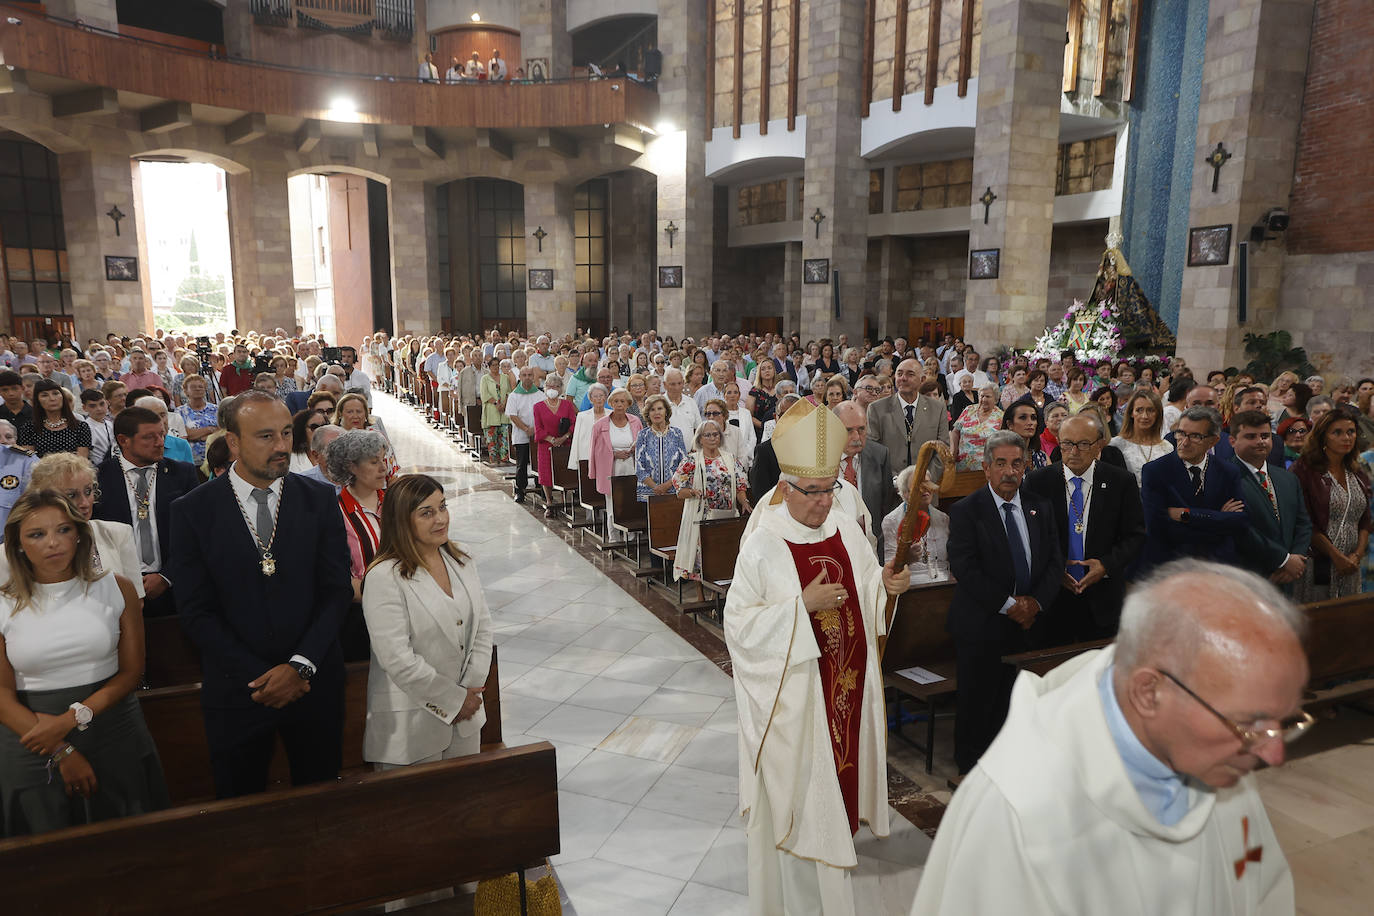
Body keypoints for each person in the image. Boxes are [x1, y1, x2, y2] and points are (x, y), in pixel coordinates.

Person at [911, 560, 1310, 915]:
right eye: (1250, 723)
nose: (1273, 753)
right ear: (1149, 692)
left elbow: (1261, 884)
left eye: (1283, 721)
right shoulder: (1018, 820)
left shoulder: (1220, 753)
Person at [724, 397, 909, 915]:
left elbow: (870, 594)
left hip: (842, 700)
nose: (825, 503)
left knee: (837, 812)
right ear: (785, 489)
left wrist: (888, 588)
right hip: (795, 714)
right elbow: (737, 627)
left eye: (831, 491)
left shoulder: (847, 530)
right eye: (814, 493)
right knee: (802, 819)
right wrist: (800, 607)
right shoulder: (763, 544)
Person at [170, 390, 353, 799]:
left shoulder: (318, 499)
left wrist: (299, 667)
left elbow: (336, 590)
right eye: (266, 436)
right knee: (241, 806)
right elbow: (196, 611)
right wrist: (261, 678)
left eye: (287, 433)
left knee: (322, 802)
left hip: (314, 684)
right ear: (232, 442)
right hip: (238, 690)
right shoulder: (193, 511)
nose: (282, 447)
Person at [0, 490, 168, 836]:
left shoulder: (116, 587)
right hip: (31, 735)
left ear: (79, 533)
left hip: (112, 728)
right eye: (37, 534)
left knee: (129, 848)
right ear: (17, 544)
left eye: (63, 530)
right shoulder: (3, 602)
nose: (53, 543)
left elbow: (132, 671)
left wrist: (72, 718)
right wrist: (61, 749)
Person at [946, 430, 1063, 774]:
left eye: (1017, 463)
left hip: (1031, 624)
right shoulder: (968, 510)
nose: (1010, 471)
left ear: (1026, 466)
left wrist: (1036, 604)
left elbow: (1055, 560)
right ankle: (973, 772)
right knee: (980, 705)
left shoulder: (1039, 507)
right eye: (1001, 464)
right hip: (983, 624)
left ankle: (1017, 765)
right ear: (986, 468)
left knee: (1020, 703)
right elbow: (964, 567)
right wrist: (1010, 604)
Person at [361, 473, 492, 770]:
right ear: (401, 520)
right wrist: (454, 701)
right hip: (410, 728)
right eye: (427, 513)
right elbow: (396, 658)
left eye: (442, 507)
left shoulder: (462, 560)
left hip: (467, 720)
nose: (441, 519)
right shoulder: (384, 577)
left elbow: (483, 627)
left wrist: (471, 690)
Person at [1024, 415, 1145, 643]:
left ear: (1099, 444)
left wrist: (1105, 565)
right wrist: (1054, 570)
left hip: (1104, 599)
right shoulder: (1038, 482)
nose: (1074, 451)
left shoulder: (1121, 481)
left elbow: (1135, 536)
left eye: (1083, 444)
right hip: (1052, 600)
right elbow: (1030, 538)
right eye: (1067, 443)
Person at [92, 407, 199, 618]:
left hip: (174, 589)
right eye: (149, 437)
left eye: (162, 434)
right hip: (116, 590)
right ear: (124, 440)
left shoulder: (182, 474)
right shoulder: (99, 478)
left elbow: (197, 533)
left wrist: (167, 576)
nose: (160, 442)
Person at [10, 453, 144, 601]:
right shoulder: (6, 554)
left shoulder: (119, 534)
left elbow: (136, 603)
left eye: (88, 492)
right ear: (42, 497)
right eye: (72, 495)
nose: (85, 503)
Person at [1140, 407, 1248, 569]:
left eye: (1195, 436)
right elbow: (1157, 527)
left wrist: (1187, 515)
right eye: (1181, 433)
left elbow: (1241, 522)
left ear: (1213, 441)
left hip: (1218, 564)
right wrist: (1219, 519)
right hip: (1172, 564)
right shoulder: (1155, 471)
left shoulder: (1228, 471)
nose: (1184, 442)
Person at [1230, 410, 1312, 593]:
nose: (1260, 441)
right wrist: (1283, 560)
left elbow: (1303, 523)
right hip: (1248, 578)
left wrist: (1295, 560)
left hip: (1289, 577)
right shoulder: (1224, 477)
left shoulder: (1287, 478)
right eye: (1251, 436)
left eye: (1265, 436)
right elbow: (1241, 530)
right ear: (1232, 441)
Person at [1292, 410, 1370, 601]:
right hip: (1318, 563)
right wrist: (1336, 556)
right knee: (1319, 623)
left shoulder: (1357, 471)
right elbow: (1305, 521)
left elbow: (1365, 520)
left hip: (1351, 564)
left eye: (1351, 432)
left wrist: (1357, 556)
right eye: (1337, 432)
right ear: (1322, 436)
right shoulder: (1304, 470)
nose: (1346, 438)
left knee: (1349, 622)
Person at [671, 420, 751, 581]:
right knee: (701, 558)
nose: (713, 438)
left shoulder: (730, 459)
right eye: (707, 435)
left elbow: (740, 485)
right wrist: (692, 492)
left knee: (723, 555)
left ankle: (717, 593)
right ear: (700, 439)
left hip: (726, 515)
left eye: (715, 434)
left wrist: (744, 502)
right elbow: (679, 490)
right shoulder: (691, 461)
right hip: (701, 516)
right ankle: (701, 594)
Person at [832, 400, 895, 557]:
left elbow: (886, 508)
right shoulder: (820, 460)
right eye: (848, 431)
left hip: (871, 551)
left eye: (861, 429)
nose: (856, 437)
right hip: (835, 548)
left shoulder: (880, 455)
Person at [867, 358, 950, 474]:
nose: (903, 378)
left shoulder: (937, 408)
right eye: (899, 374)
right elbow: (872, 450)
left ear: (922, 380)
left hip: (926, 484)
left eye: (910, 374)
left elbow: (943, 448)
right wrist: (894, 480)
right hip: (890, 484)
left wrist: (925, 478)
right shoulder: (877, 409)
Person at [588, 389, 642, 542]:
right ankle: (613, 538)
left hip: (631, 466)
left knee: (632, 501)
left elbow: (642, 444)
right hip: (611, 468)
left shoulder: (635, 421)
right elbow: (595, 451)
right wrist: (614, 454)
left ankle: (632, 537)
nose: (619, 405)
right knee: (613, 504)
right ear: (610, 403)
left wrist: (633, 449)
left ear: (628, 404)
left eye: (623, 401)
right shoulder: (600, 425)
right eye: (616, 401)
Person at [882, 463, 948, 578]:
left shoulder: (943, 519)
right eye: (918, 485)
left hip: (943, 584)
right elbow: (889, 570)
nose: (925, 489)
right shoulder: (891, 521)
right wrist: (906, 558)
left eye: (928, 483)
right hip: (910, 587)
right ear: (905, 493)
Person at [1109, 387, 1174, 485]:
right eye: (1139, 410)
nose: (1145, 416)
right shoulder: (1116, 444)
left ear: (1157, 414)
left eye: (1150, 410)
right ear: (1131, 413)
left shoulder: (1167, 448)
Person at [19, 379, 91, 460]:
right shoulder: (29, 428)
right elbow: (28, 461)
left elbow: (82, 461)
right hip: (40, 471)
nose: (52, 398)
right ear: (38, 400)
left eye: (55, 393)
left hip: (73, 471)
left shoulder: (81, 427)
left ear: (62, 397)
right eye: (44, 395)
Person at [634, 394, 686, 504]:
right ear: (648, 413)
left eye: (660, 408)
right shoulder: (643, 435)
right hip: (649, 492)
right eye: (652, 410)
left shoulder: (677, 434)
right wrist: (656, 487)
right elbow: (639, 467)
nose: (656, 412)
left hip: (673, 490)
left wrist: (667, 485)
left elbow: (683, 465)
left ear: (666, 411)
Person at [504, 365, 542, 504]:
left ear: (533, 377)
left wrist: (536, 429)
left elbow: (543, 413)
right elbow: (512, 415)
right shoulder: (514, 395)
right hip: (521, 435)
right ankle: (520, 490)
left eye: (529, 375)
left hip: (537, 435)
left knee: (539, 462)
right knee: (522, 464)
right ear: (519, 377)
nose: (527, 378)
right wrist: (526, 429)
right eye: (524, 375)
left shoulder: (539, 394)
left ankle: (541, 487)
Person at [131, 395, 195, 466]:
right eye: (153, 416)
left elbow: (189, 475)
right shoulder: (131, 447)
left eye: (162, 415)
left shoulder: (182, 445)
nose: (160, 421)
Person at [951, 384, 1002, 470]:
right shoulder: (969, 410)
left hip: (987, 467)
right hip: (962, 463)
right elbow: (955, 432)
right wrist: (953, 453)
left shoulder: (1000, 416)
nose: (984, 399)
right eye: (982, 396)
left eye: (988, 396)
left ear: (996, 399)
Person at [174, 374, 219, 466]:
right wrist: (209, 429)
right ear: (185, 391)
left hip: (214, 459)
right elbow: (184, 434)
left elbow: (221, 432)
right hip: (189, 461)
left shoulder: (216, 409)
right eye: (193, 387)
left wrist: (196, 435)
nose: (198, 389)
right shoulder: (180, 411)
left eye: (201, 387)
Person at [479, 356, 512, 464]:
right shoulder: (485, 378)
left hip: (504, 411)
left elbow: (508, 392)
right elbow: (485, 394)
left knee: (504, 438)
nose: (496, 367)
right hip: (491, 411)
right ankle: (493, 460)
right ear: (489, 367)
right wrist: (496, 404)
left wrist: (503, 404)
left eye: (497, 365)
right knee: (492, 439)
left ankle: (504, 459)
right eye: (493, 365)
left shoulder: (504, 377)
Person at [1001, 400, 1049, 470]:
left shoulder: (1042, 457)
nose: (1030, 422)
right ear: (1010, 424)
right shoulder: (1000, 456)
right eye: (1023, 417)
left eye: (1033, 418)